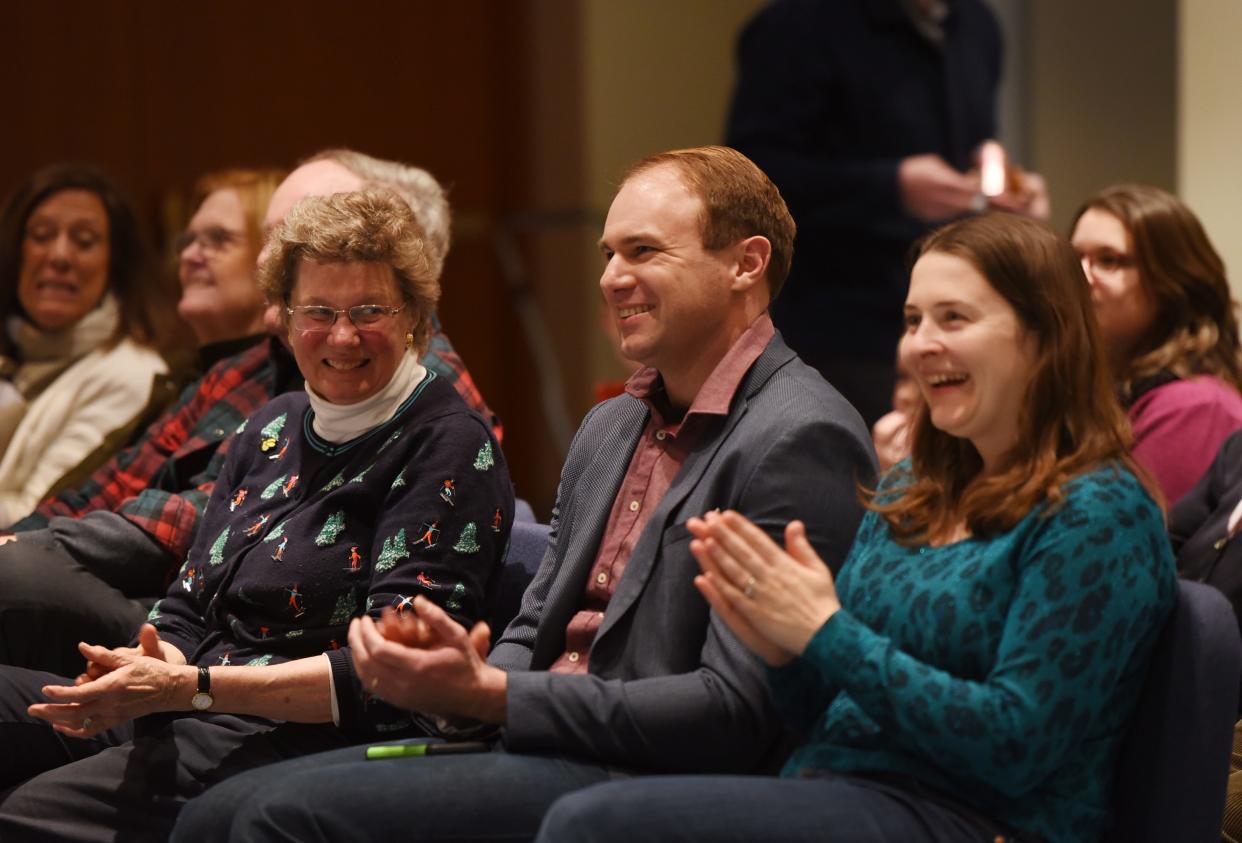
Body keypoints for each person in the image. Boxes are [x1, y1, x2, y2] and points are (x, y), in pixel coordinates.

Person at [171, 145, 876, 842]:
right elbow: (534, 626)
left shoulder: (798, 436)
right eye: (608, 254)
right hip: (530, 740)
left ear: (745, 264)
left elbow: (736, 712)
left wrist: (492, 694)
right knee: (215, 811)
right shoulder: (612, 424)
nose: (611, 278)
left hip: (650, 776)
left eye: (643, 252)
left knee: (275, 817)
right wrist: (460, 688)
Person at [532, 213, 1176, 843]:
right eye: (914, 320)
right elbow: (821, 711)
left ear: (1045, 336)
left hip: (980, 818)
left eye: (954, 318)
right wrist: (785, 648)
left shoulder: (1097, 513)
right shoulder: (910, 490)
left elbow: (1015, 745)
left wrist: (825, 631)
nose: (921, 344)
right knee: (597, 811)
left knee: (595, 825)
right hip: (839, 788)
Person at [0, 188, 514, 841]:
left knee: (22, 814)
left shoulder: (448, 442)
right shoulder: (271, 424)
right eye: (319, 311)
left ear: (415, 313)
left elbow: (388, 675)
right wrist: (141, 667)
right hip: (189, 700)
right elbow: (188, 604)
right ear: (284, 316)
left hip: (305, 732)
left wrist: (193, 686)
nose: (343, 335)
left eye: (369, 310)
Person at [0, 150, 499, 677]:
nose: (272, 258)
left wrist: (197, 686)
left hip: (244, 671)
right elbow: (130, 503)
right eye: (272, 237)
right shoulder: (260, 385)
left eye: (296, 232)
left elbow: (387, 663)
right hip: (189, 643)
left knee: (12, 577)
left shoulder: (430, 403)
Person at [725, 0, 1048, 425]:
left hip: (953, 315)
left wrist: (1000, 178)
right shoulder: (796, 25)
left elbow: (977, 139)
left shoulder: (976, 24)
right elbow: (751, 178)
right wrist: (890, 187)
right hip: (838, 330)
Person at [0, 163, 178, 523]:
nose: (59, 256)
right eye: (41, 235)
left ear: (114, 266)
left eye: (84, 241)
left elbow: (39, 517)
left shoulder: (132, 375)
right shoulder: (15, 358)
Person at [1069, 184, 1242, 505]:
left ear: (1170, 283)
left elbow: (1123, 538)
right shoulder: (1102, 388)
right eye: (1072, 258)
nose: (1080, 277)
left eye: (1109, 261)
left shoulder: (1196, 407)